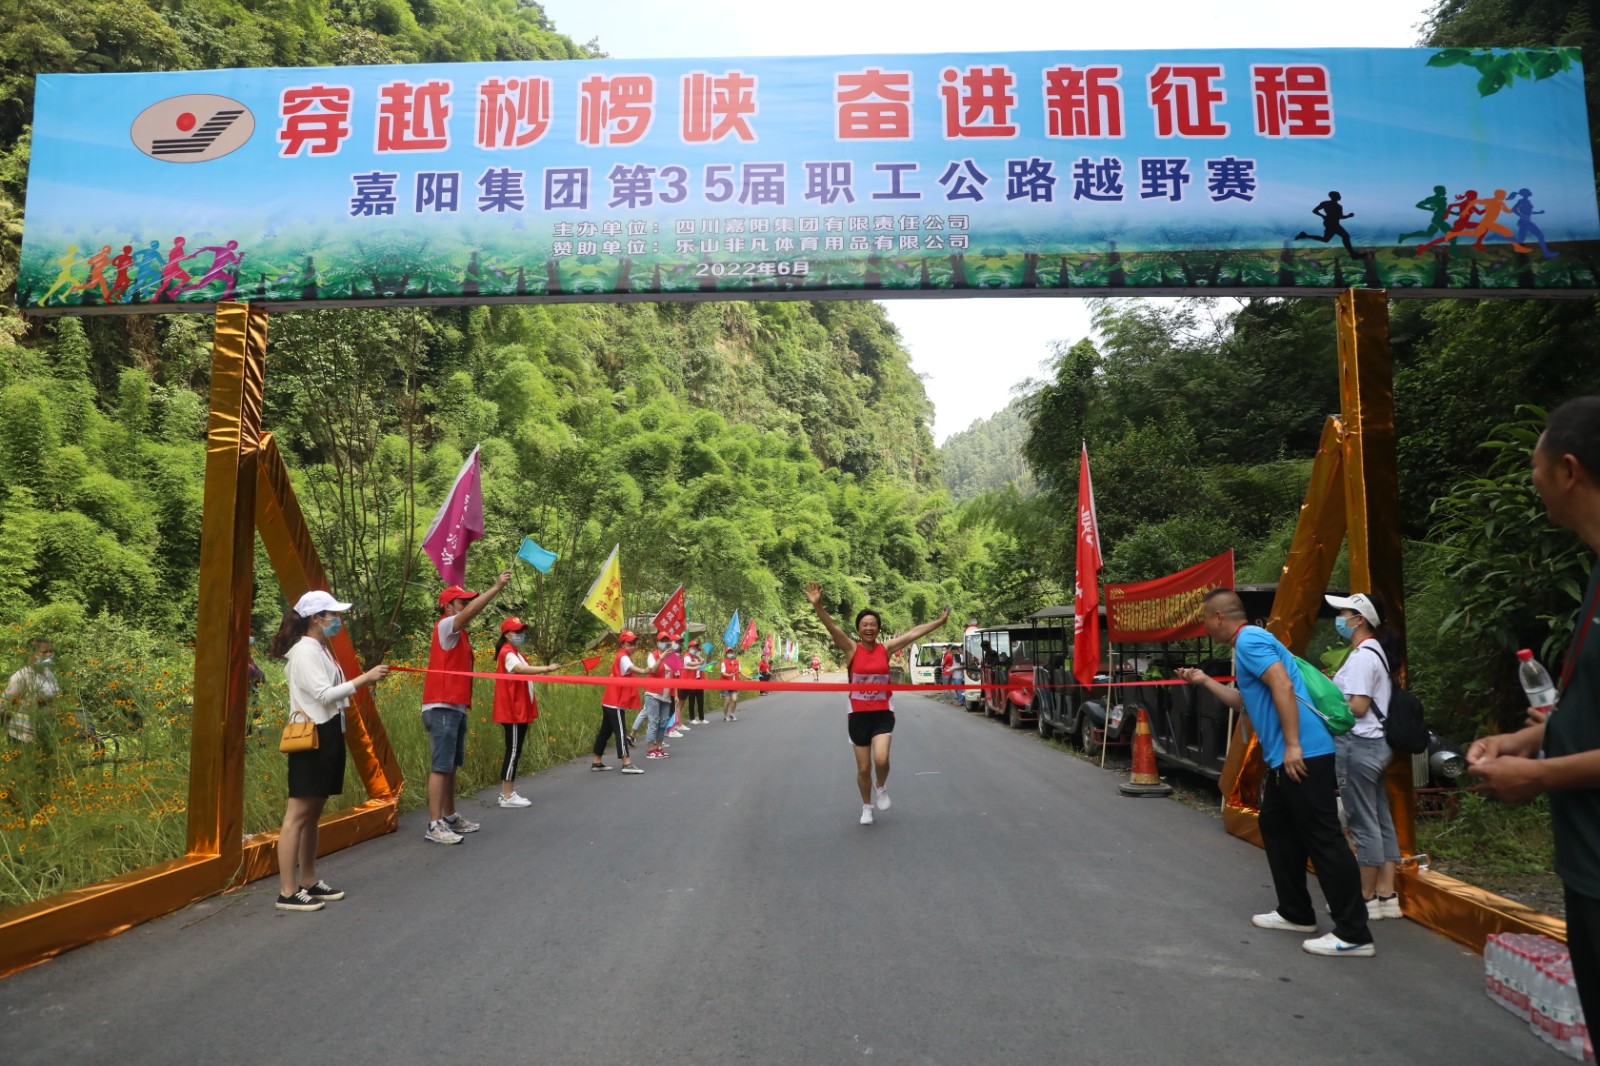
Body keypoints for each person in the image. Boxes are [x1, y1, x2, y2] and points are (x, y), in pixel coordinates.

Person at [1472, 396, 1600, 1028]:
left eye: (1534, 464)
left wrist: (1540, 774)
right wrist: (1534, 740)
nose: (1532, 478)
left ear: (1568, 469)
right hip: (1585, 863)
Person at [1176, 588, 1373, 956]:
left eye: (1205, 619)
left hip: (1303, 754)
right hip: (1287, 757)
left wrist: (1293, 744)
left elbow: (1282, 683)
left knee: (1324, 839)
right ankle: (1296, 912)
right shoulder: (1248, 644)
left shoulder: (1250, 640)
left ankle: (1354, 934)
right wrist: (1203, 680)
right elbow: (1244, 702)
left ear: (1219, 617)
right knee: (1275, 825)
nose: (1204, 627)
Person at [270, 590, 389, 912]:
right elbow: (323, 695)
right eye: (332, 614)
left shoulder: (320, 648)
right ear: (315, 618)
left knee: (312, 814)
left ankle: (308, 881)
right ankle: (287, 891)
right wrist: (365, 678)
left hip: (329, 731)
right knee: (297, 815)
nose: (337, 619)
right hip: (312, 736)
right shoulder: (304, 651)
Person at [806, 583, 950, 826]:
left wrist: (940, 622)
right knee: (863, 768)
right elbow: (832, 628)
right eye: (864, 624)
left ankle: (880, 786)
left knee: (881, 759)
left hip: (882, 712)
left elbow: (913, 633)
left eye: (873, 624)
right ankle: (867, 806)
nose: (869, 628)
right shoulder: (851, 649)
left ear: (878, 628)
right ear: (858, 629)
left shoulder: (886, 649)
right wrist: (818, 606)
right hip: (858, 715)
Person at [1324, 591, 1404, 921]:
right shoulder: (1376, 652)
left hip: (1358, 745)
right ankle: (1387, 894)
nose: (1339, 619)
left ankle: (1364, 898)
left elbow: (1357, 706)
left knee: (1362, 822)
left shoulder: (1361, 657)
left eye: (1343, 614)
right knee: (1381, 818)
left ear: (1359, 620)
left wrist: (1326, 706)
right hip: (1377, 745)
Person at [421, 573, 512, 845]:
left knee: (450, 766)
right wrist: (496, 587)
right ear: (448, 607)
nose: (467, 606)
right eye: (462, 602)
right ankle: (434, 824)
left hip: (455, 707)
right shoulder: (446, 626)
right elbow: (469, 614)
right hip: (441, 706)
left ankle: (450, 817)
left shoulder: (459, 635)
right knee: (440, 766)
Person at [493, 617, 561, 809]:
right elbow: (520, 669)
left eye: (522, 631)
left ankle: (507, 793)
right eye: (517, 631)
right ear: (507, 634)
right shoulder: (507, 652)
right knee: (513, 751)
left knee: (515, 750)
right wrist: (546, 668)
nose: (521, 635)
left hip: (519, 708)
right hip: (513, 710)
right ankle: (507, 795)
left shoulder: (514, 652)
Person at [592, 630, 645, 775]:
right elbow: (632, 668)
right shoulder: (623, 656)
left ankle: (596, 761)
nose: (633, 646)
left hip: (610, 700)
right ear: (622, 644)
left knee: (605, 732)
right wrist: (645, 670)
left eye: (634, 643)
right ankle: (626, 763)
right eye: (629, 643)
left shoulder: (622, 656)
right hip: (614, 701)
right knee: (620, 732)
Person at [644, 631, 676, 758]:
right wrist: (661, 658)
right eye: (662, 641)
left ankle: (659, 747)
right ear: (658, 643)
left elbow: (677, 674)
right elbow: (653, 670)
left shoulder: (672, 657)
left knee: (663, 722)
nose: (665, 643)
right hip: (653, 694)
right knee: (653, 721)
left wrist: (675, 694)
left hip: (666, 695)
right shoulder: (652, 655)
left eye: (667, 641)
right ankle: (650, 749)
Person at [682, 641, 708, 724]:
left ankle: (701, 718)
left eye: (697, 649)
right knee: (691, 700)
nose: (695, 650)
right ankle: (692, 718)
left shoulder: (696, 658)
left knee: (700, 700)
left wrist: (698, 657)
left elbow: (703, 662)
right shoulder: (687, 656)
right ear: (689, 648)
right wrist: (699, 662)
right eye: (693, 648)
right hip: (690, 681)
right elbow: (689, 663)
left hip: (699, 681)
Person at [719, 648, 742, 721]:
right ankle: (725, 716)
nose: (731, 654)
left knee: (734, 699)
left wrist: (747, 677)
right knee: (727, 700)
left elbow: (739, 672)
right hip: (725, 684)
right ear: (726, 654)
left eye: (732, 652)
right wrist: (729, 675)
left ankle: (732, 713)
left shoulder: (736, 662)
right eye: (729, 652)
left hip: (734, 684)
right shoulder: (724, 662)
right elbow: (723, 673)